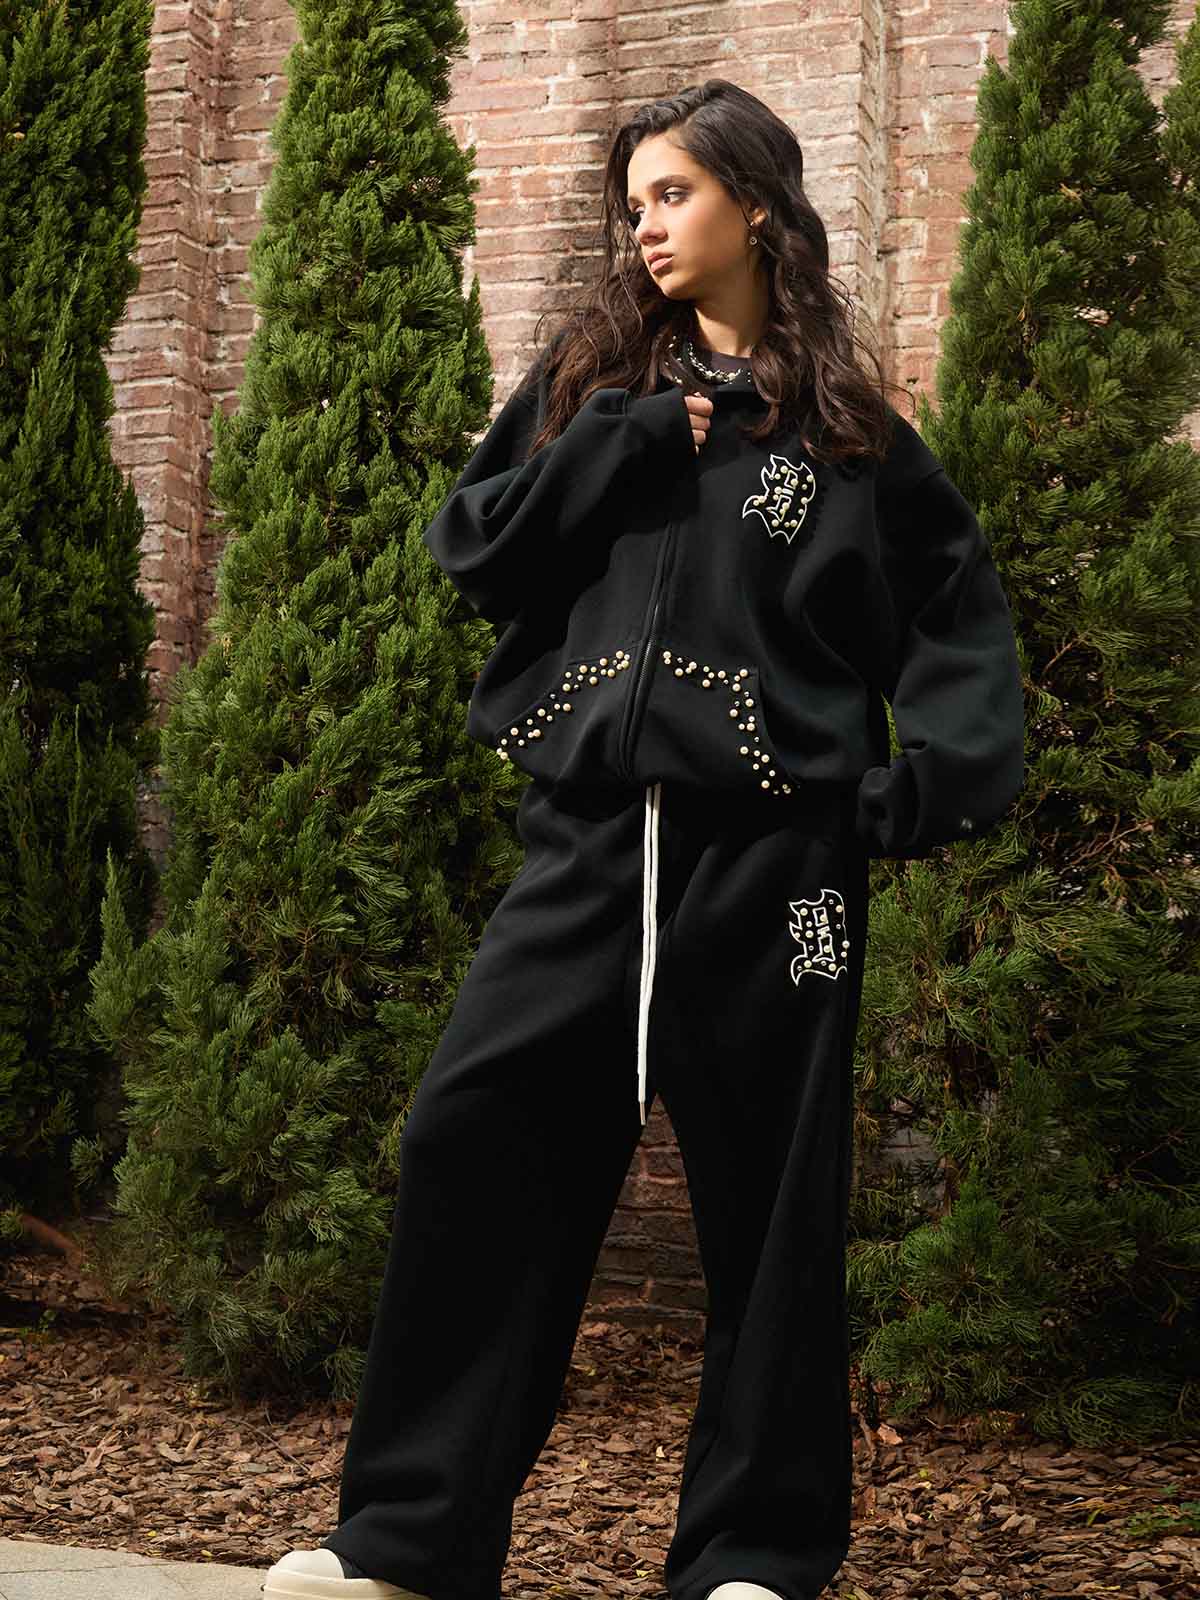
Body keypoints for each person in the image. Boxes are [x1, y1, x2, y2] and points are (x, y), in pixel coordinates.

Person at [262, 77, 1024, 1600]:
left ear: (756, 204)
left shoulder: (851, 434)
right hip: (588, 849)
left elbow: (957, 619)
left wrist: (905, 795)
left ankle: (754, 1557)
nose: (647, 228)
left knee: (774, 1208)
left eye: (673, 194)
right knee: (471, 1140)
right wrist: (616, 447)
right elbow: (473, 548)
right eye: (634, 204)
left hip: (779, 872)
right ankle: (406, 1541)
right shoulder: (590, 385)